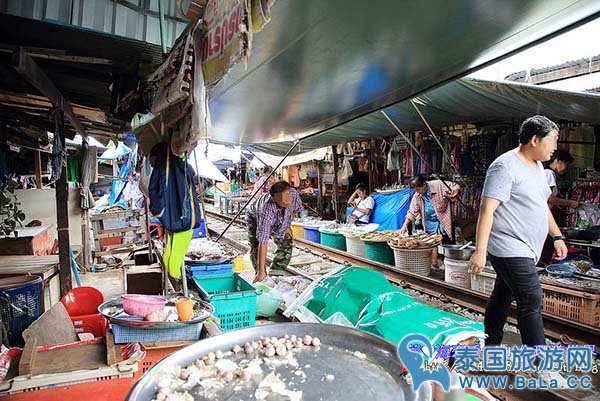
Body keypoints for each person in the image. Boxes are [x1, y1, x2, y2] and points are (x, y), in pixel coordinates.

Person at [469, 115, 568, 348]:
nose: (555, 148)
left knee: (502, 296)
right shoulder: (504, 166)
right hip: (508, 246)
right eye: (553, 140)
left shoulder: (537, 167)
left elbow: (540, 205)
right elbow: (487, 209)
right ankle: (542, 364)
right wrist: (480, 251)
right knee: (531, 299)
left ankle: (490, 345)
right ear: (535, 139)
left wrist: (557, 236)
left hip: (526, 247)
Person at [400, 175, 460, 266]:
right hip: (429, 220)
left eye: (418, 189)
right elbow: (412, 211)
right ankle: (434, 264)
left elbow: (455, 185)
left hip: (444, 217)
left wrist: (454, 191)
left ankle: (451, 264)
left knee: (448, 243)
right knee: (431, 242)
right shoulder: (417, 195)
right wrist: (405, 225)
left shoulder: (438, 185)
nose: (417, 192)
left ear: (424, 184)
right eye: (415, 190)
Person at [246, 180, 294, 282]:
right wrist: (261, 272)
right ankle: (260, 274)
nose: (287, 199)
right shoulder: (266, 211)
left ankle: (275, 274)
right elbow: (263, 242)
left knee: (287, 240)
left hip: (278, 215)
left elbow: (290, 211)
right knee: (256, 244)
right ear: (274, 198)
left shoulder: (291, 197)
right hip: (253, 216)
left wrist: (287, 225)